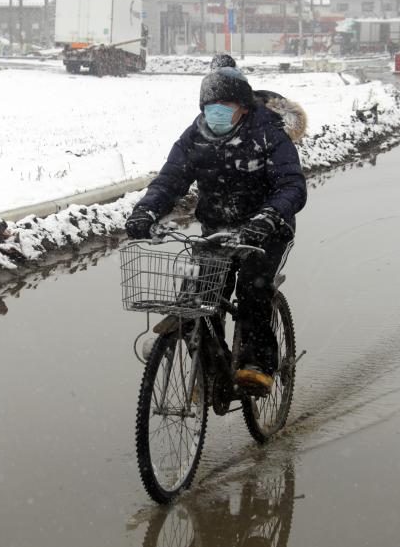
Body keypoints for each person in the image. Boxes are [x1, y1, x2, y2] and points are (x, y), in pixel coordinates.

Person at [126, 66, 307, 393]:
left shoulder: (267, 133)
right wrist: (146, 211)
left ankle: (258, 364)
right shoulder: (195, 136)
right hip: (217, 230)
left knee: (253, 289)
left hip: (265, 231)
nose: (216, 111)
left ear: (243, 106)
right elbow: (170, 180)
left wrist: (268, 217)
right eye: (209, 105)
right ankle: (212, 370)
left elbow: (291, 185)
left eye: (224, 104)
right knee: (198, 297)